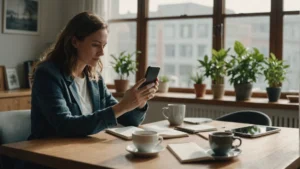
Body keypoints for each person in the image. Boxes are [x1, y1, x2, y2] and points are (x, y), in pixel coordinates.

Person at [29, 11, 158, 140]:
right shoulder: (47, 74)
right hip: (48, 154)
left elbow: (131, 121)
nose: (102, 52)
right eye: (95, 45)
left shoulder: (94, 78)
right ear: (75, 42)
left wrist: (140, 100)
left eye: (104, 46)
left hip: (82, 150)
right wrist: (122, 106)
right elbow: (65, 125)